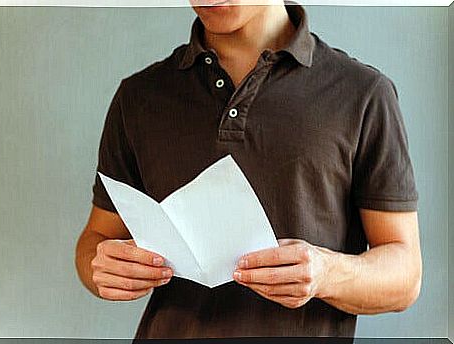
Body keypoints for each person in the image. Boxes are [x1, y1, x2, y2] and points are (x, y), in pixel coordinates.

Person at [75, 0, 422, 339]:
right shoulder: (139, 96)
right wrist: (101, 268)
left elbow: (405, 277)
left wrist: (326, 272)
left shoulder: (363, 94)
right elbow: (95, 240)